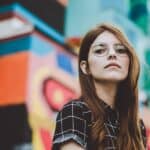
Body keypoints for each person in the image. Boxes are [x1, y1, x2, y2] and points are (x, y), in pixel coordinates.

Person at [52, 23, 147, 150]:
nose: (113, 54)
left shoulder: (137, 127)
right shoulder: (75, 111)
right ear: (85, 67)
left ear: (129, 63)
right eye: (100, 50)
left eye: (120, 50)